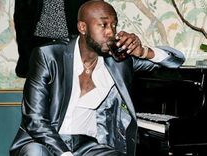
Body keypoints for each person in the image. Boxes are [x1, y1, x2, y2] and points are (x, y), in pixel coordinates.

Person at [10, 1, 185, 156]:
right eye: (103, 25)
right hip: (44, 141)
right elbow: (35, 120)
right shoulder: (49, 56)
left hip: (86, 145)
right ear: (82, 28)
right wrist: (64, 154)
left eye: (114, 25)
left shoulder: (119, 62)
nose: (111, 32)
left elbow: (176, 60)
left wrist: (143, 51)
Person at [14, 0, 90, 78]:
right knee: (40, 86)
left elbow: (94, 11)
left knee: (75, 84)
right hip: (39, 44)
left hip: (74, 42)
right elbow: (22, 19)